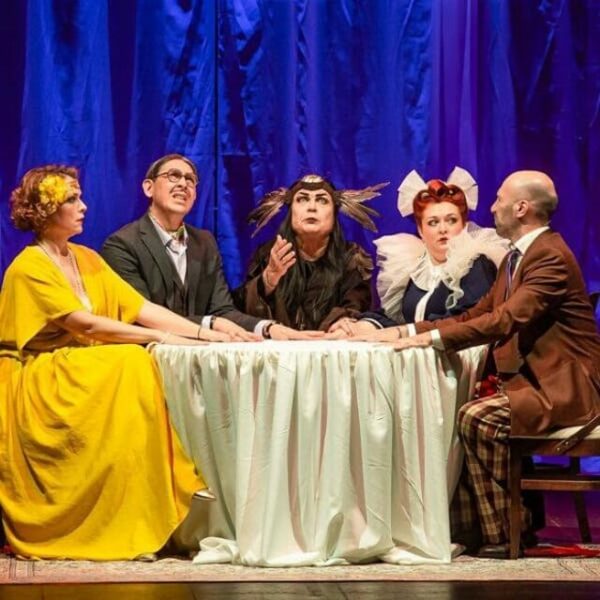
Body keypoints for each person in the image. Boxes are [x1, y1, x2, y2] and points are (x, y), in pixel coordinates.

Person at [0, 165, 225, 560]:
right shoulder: (29, 266)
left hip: (79, 365)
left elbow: (141, 309)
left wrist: (203, 335)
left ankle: (136, 513)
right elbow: (84, 323)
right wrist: (159, 338)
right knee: (130, 362)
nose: (84, 206)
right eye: (72, 199)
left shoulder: (86, 258)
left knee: (133, 364)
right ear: (47, 209)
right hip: (40, 375)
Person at [371, 170, 600, 558]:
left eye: (499, 199)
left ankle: (507, 530)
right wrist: (406, 331)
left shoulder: (549, 256)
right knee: (456, 412)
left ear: (521, 208)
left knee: (476, 418)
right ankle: (470, 527)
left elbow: (505, 319)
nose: (492, 207)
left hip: (564, 388)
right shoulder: (516, 258)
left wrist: (433, 339)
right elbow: (476, 314)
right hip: (534, 382)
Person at [102, 154, 311, 341]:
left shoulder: (204, 242)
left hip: (202, 355)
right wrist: (209, 323)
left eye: (190, 180)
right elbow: (141, 316)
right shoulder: (122, 244)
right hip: (148, 356)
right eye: (173, 176)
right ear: (149, 187)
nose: (183, 184)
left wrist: (267, 328)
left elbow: (223, 310)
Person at [329, 167, 507, 337]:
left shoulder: (475, 264)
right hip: (417, 352)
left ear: (464, 225)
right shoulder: (414, 266)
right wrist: (360, 326)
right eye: (433, 222)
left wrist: (405, 333)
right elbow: (394, 318)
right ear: (421, 231)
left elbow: (466, 318)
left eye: (451, 220)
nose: (442, 229)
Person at [233, 174, 386, 331]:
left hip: (331, 342)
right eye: (302, 199)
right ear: (291, 211)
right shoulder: (269, 255)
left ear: (334, 213)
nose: (312, 207)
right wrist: (268, 280)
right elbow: (241, 312)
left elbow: (357, 307)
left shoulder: (352, 257)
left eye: (322, 200)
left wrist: (345, 320)